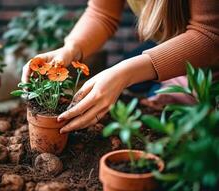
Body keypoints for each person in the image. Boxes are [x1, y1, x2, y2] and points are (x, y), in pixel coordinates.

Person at [21, 0, 219, 134]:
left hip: (207, 51)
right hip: (170, 43)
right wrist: (72, 48)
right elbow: (102, 13)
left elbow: (210, 35)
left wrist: (125, 74)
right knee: (131, 88)